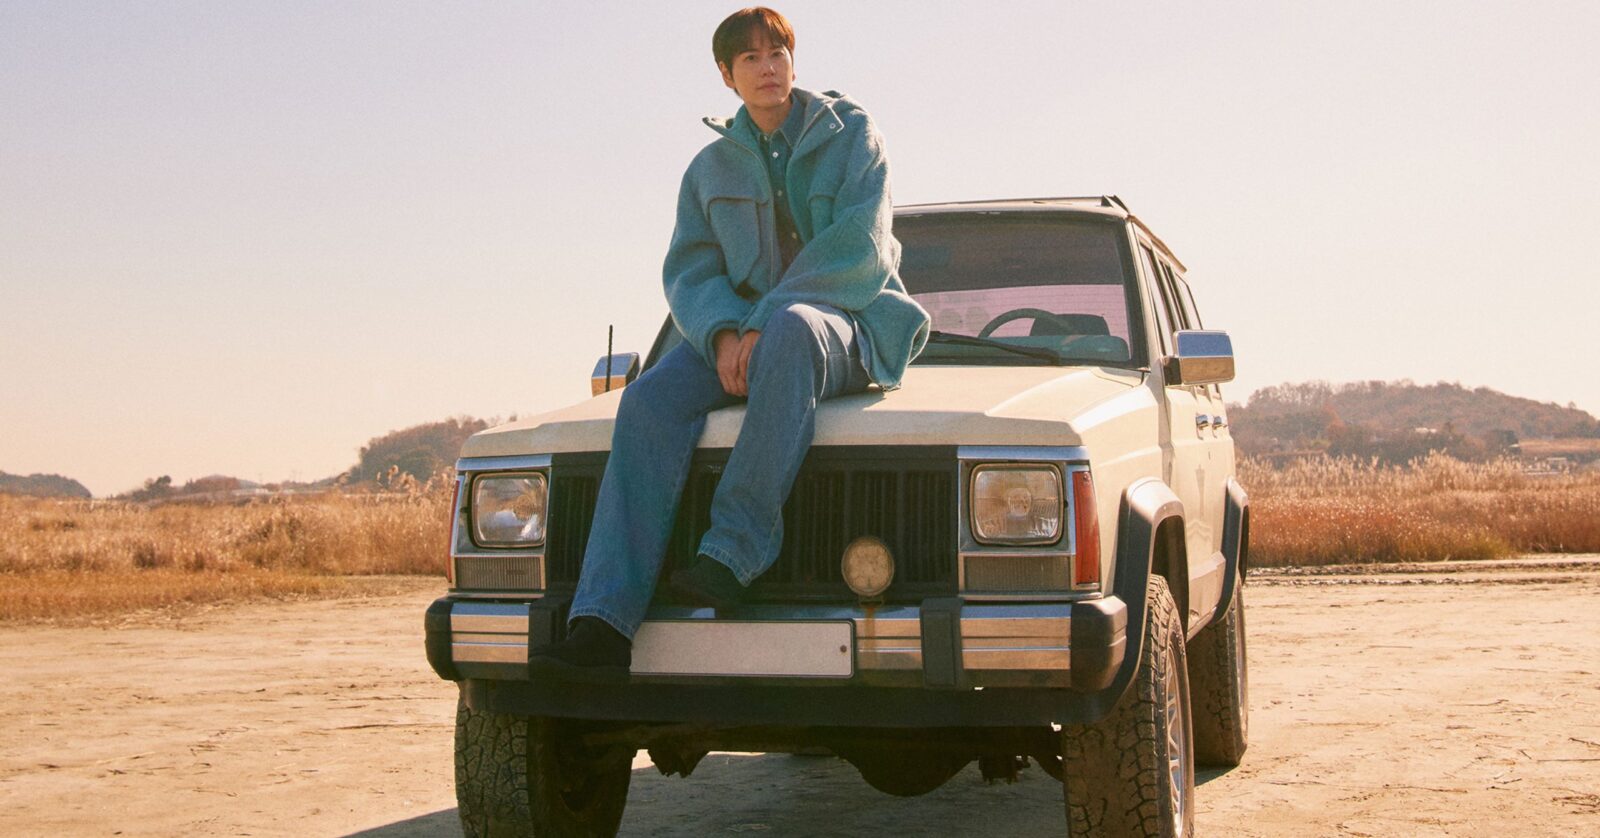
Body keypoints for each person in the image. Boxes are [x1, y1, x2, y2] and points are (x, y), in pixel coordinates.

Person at [530, 7, 929, 678]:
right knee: (647, 399)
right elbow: (690, 271)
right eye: (750, 58)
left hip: (848, 325)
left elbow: (859, 247)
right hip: (740, 336)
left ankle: (732, 554)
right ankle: (602, 622)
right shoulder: (708, 169)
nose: (768, 68)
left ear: (793, 61)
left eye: (777, 53)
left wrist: (763, 319)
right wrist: (720, 334)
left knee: (792, 327)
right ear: (726, 76)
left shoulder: (853, 134)